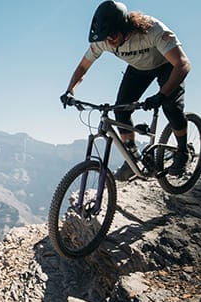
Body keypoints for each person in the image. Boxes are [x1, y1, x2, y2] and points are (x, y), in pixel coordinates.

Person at [60, 1, 192, 181]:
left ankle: (183, 152)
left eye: (112, 35)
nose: (110, 42)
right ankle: (133, 160)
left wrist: (162, 95)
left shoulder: (153, 30)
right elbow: (83, 67)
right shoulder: (104, 40)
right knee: (120, 110)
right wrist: (70, 91)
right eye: (106, 37)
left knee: (171, 107)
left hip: (167, 65)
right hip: (138, 69)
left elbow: (183, 64)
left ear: (124, 26)